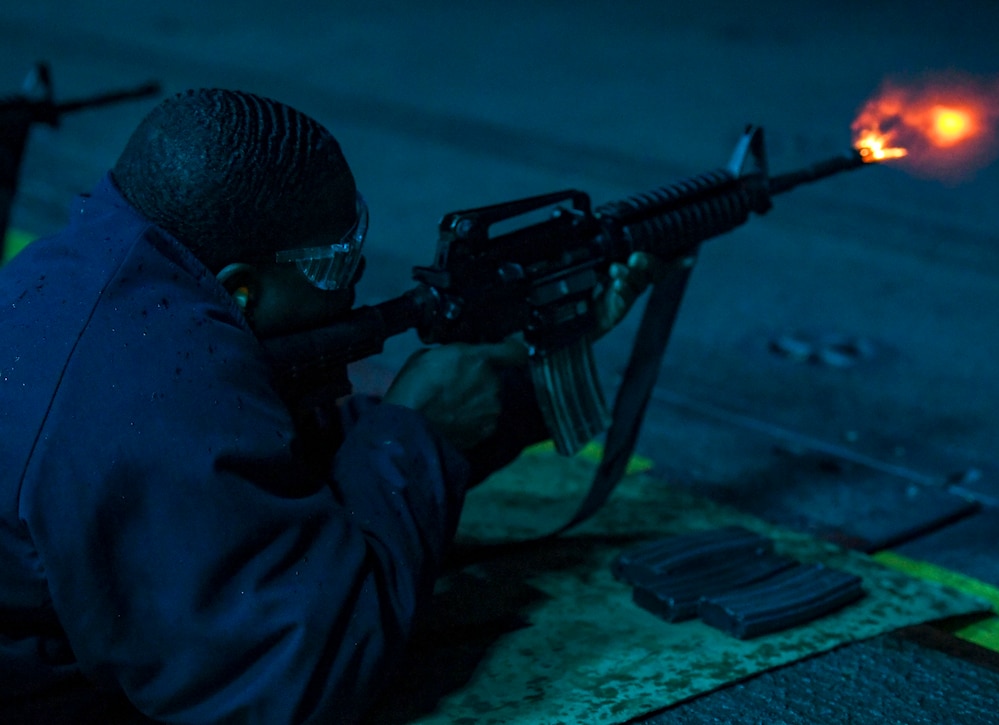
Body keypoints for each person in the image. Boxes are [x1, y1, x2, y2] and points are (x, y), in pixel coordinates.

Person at [0, 88, 656, 723]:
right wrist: (416, 437)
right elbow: (300, 675)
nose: (356, 281)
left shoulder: (106, 270)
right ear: (243, 290)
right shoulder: (154, 400)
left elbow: (263, 465)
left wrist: (523, 361)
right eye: (334, 266)